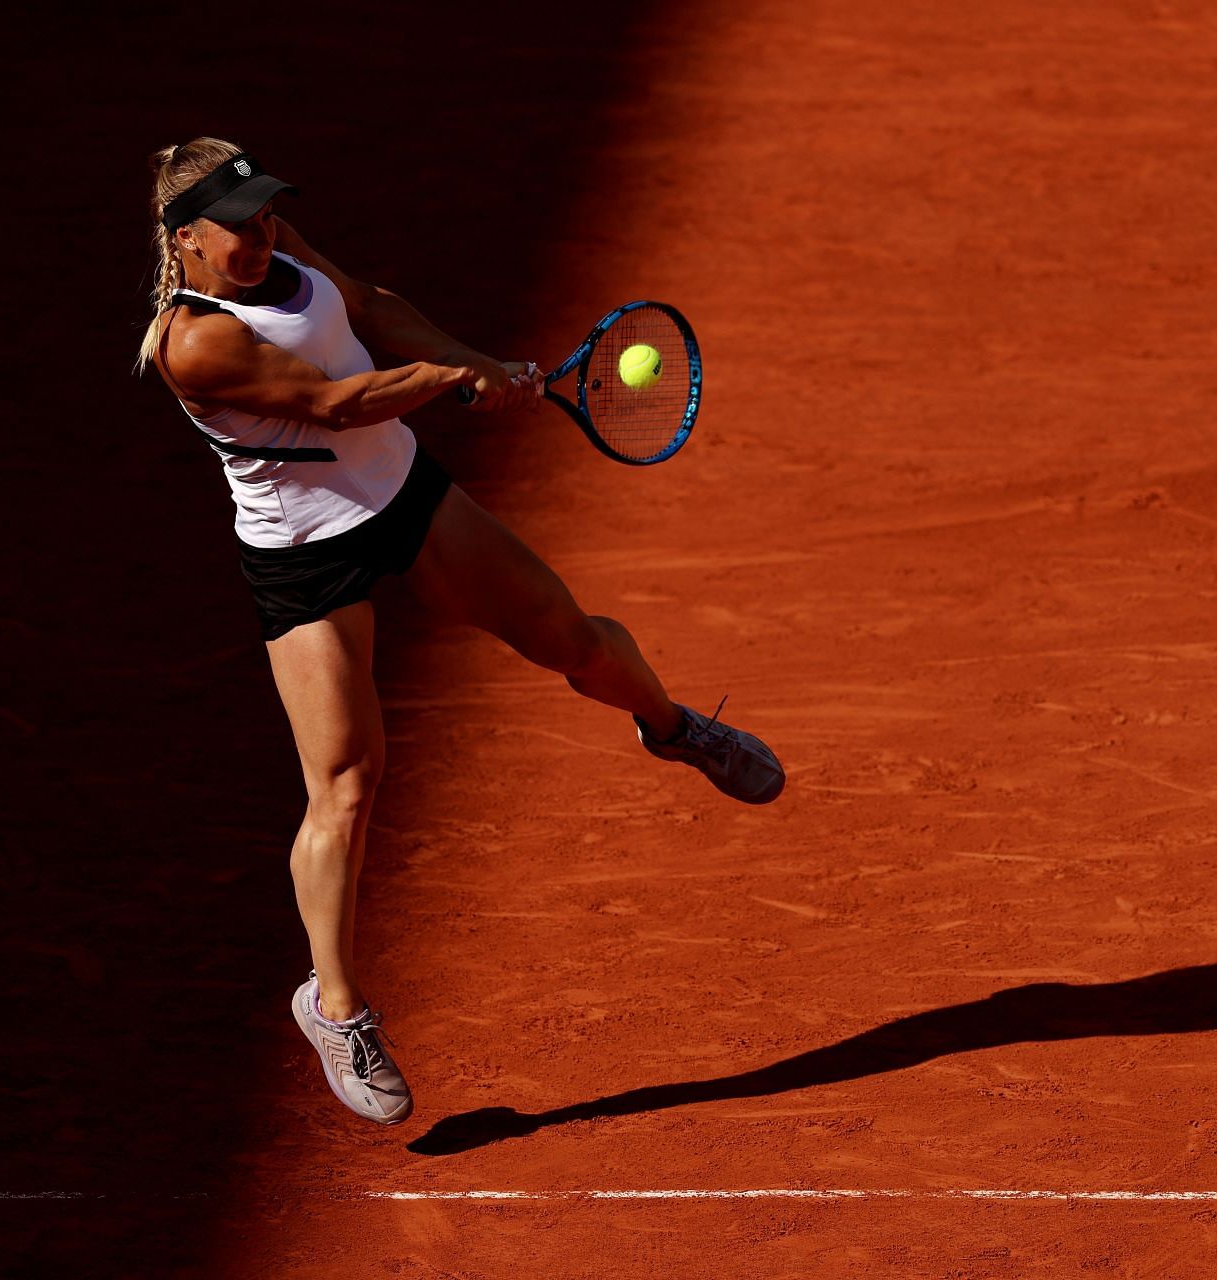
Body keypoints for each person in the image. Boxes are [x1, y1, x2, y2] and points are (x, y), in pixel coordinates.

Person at [138, 138, 784, 1126]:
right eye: (241, 228)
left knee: (570, 637)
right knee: (348, 782)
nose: (264, 237)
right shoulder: (195, 340)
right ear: (186, 242)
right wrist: (451, 377)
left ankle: (670, 723)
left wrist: (474, 361)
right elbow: (331, 400)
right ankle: (336, 1004)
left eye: (270, 214)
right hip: (303, 554)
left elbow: (368, 302)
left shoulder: (277, 247)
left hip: (404, 495)